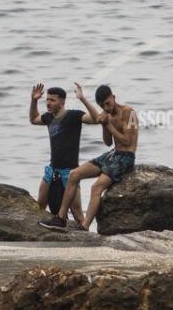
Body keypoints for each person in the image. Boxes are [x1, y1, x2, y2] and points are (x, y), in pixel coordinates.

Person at [39, 84, 138, 232]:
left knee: (96, 187)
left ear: (113, 97)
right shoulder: (107, 115)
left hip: (126, 157)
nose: (106, 107)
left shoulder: (130, 113)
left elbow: (127, 141)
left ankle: (85, 226)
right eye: (103, 106)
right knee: (74, 174)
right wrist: (104, 124)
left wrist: (108, 125)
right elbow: (108, 142)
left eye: (108, 103)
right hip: (112, 154)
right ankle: (60, 219)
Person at [29, 83, 102, 225]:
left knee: (77, 213)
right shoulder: (48, 117)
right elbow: (33, 119)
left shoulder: (73, 116)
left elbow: (96, 119)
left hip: (70, 173)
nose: (48, 103)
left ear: (62, 102)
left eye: (52, 100)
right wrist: (34, 100)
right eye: (47, 100)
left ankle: (87, 239)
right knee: (40, 205)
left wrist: (82, 99)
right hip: (52, 170)